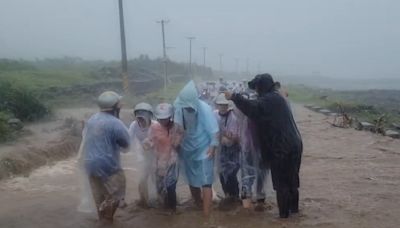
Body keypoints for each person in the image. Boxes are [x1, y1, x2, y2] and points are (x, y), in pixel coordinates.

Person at [225, 74, 303, 218]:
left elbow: (251, 108)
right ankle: (295, 215)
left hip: (282, 147)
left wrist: (234, 97)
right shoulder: (278, 98)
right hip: (295, 144)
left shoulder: (268, 100)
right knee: (292, 182)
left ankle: (284, 218)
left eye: (257, 89)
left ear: (262, 87)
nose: (256, 92)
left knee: (281, 185)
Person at [81, 91, 130, 222]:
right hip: (109, 166)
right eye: (119, 105)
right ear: (114, 107)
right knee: (116, 194)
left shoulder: (92, 119)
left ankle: (102, 218)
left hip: (90, 164)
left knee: (99, 196)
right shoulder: (115, 123)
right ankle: (107, 220)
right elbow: (126, 144)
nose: (121, 107)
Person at [174, 81, 219, 216]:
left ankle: (206, 216)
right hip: (187, 149)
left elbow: (214, 131)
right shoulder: (178, 107)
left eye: (190, 108)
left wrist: (213, 146)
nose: (188, 109)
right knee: (192, 179)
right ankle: (197, 204)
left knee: (206, 182)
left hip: (204, 148)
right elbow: (179, 129)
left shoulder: (205, 109)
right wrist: (176, 145)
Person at [234, 95, 269, 212]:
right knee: (251, 177)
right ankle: (252, 202)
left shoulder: (249, 116)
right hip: (250, 150)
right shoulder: (246, 116)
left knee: (258, 177)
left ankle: (255, 202)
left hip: (259, 151)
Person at [148, 103, 183, 213]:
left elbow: (178, 142)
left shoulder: (177, 127)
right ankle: (164, 204)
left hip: (172, 160)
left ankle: (172, 208)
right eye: (160, 119)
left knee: (170, 185)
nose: (163, 121)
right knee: (159, 185)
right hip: (158, 161)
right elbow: (150, 141)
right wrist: (147, 144)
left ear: (170, 116)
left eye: (165, 118)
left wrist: (176, 141)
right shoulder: (154, 127)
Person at [213, 93, 241, 209]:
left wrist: (224, 135)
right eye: (220, 105)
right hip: (220, 150)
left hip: (233, 151)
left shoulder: (233, 118)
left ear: (227, 105)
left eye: (224, 105)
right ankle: (227, 196)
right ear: (217, 105)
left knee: (231, 174)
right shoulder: (214, 115)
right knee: (221, 173)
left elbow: (234, 138)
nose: (222, 107)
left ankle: (235, 196)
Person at [128, 102, 156, 207]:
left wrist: (152, 144)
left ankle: (160, 199)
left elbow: (162, 141)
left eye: (143, 118)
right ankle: (144, 201)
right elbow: (127, 139)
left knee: (156, 179)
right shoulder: (134, 125)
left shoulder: (156, 125)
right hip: (143, 155)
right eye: (138, 118)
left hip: (156, 155)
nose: (140, 121)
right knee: (142, 179)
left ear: (149, 117)